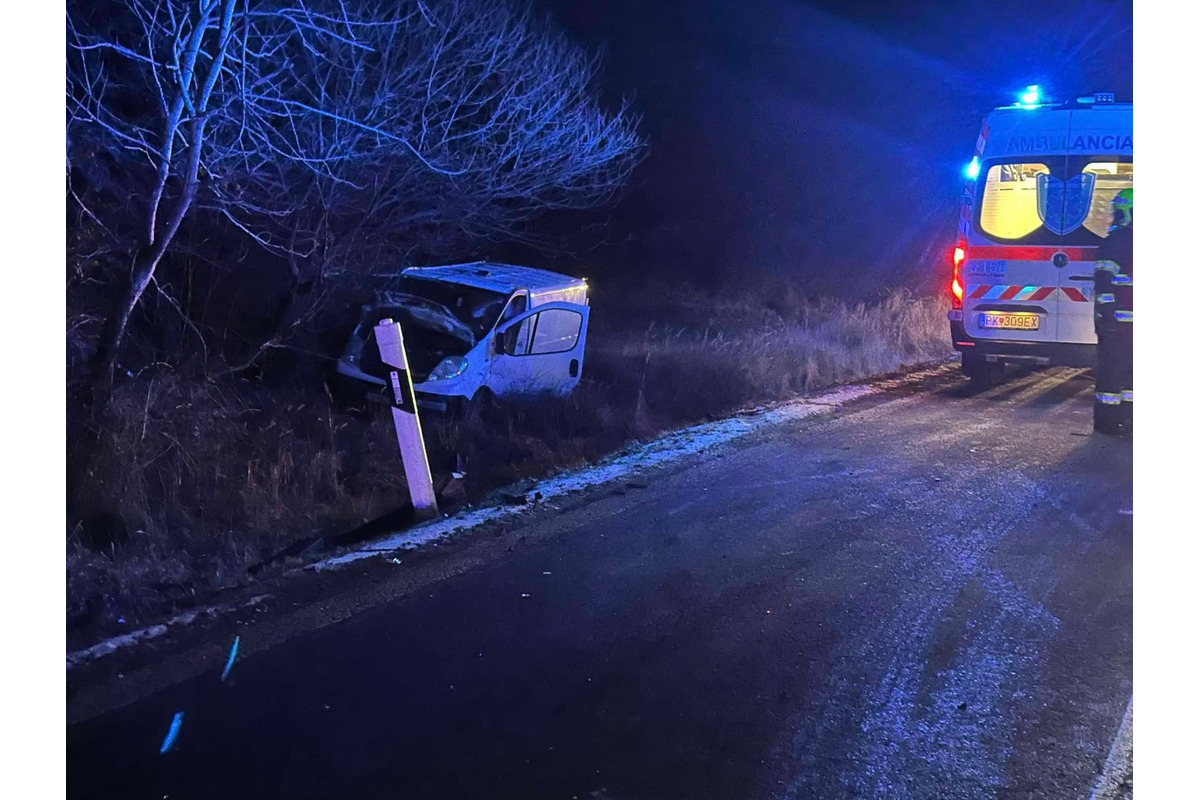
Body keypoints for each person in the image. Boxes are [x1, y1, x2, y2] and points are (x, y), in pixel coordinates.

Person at [1093, 188, 1133, 436]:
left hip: (1128, 324)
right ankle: (1107, 424)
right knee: (1112, 375)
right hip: (1116, 324)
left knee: (1132, 377)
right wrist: (1108, 317)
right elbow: (1103, 282)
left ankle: (1127, 420)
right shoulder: (1116, 243)